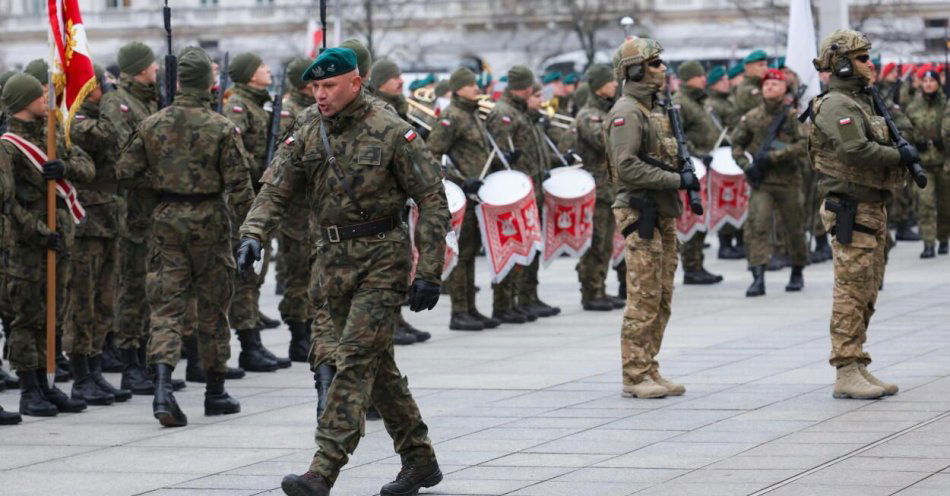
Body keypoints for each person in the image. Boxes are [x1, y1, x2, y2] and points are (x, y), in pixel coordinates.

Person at [235, 47, 447, 496]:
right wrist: (252, 232)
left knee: (350, 362)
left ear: (355, 82)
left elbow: (431, 199)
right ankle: (421, 461)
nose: (321, 95)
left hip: (382, 261)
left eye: (329, 86)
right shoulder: (309, 128)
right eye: (315, 87)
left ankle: (322, 469)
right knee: (377, 367)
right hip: (330, 266)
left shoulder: (391, 130)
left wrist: (429, 269)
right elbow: (275, 187)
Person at [116, 46, 254, 426]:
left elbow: (124, 171)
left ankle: (162, 388)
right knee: (213, 309)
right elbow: (241, 187)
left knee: (165, 309)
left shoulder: (152, 123)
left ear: (177, 82)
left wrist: (161, 182)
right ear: (209, 84)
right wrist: (252, 233)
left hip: (166, 220)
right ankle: (215, 391)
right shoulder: (222, 127)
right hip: (210, 219)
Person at [809, 29, 909, 399]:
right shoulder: (837, 104)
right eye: (863, 58)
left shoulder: (862, 102)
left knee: (867, 289)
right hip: (850, 208)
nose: (870, 64)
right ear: (843, 65)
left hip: (870, 205)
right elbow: (855, 151)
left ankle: (858, 361)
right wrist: (900, 157)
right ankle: (845, 369)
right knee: (850, 290)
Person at [0, 73, 95, 416]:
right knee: (28, 318)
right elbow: (8, 203)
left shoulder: (51, 134)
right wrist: (40, 232)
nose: (46, 98)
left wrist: (64, 167)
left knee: (53, 315)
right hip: (29, 245)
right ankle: (29, 388)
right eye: (38, 95)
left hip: (59, 242)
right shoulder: (8, 146)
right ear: (23, 101)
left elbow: (88, 167)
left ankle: (46, 382)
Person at [607, 37, 692, 399]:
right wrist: (676, 180)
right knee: (642, 296)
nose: (662, 69)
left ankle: (649, 365)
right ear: (636, 69)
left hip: (661, 210)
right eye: (655, 64)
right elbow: (626, 167)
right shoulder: (626, 112)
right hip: (640, 211)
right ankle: (634, 373)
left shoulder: (655, 109)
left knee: (662, 295)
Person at [65, 64, 132, 405]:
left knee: (105, 300)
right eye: (101, 84)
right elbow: (108, 134)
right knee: (83, 302)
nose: (106, 89)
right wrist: (112, 96)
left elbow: (122, 137)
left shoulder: (99, 113)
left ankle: (94, 369)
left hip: (109, 217)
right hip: (86, 222)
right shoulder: (74, 120)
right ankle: (80, 375)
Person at [100, 41, 162, 395]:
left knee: (149, 287)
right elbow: (124, 159)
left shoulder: (148, 99)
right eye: (151, 65)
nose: (155, 70)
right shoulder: (118, 103)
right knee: (132, 288)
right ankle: (130, 363)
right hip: (130, 211)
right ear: (139, 68)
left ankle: (145, 358)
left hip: (149, 210)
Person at [223, 52, 290, 371]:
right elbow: (234, 151)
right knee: (246, 274)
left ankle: (254, 342)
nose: (267, 70)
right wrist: (262, 168)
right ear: (250, 75)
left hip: (257, 193)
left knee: (256, 273)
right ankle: (249, 343)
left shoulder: (258, 103)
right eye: (262, 67)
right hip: (245, 197)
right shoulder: (238, 105)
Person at [425, 67, 502, 331]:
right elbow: (433, 153)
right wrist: (458, 180)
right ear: (458, 88)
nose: (476, 89)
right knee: (462, 253)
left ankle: (471, 307)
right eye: (470, 85)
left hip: (478, 193)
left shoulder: (473, 115)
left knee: (471, 253)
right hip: (464, 193)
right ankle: (459, 312)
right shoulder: (451, 117)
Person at [486, 65, 560, 323]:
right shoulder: (504, 113)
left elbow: (531, 150)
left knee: (529, 247)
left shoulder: (522, 113)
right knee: (512, 247)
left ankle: (527, 297)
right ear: (526, 87)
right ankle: (504, 303)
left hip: (530, 189)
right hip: (512, 192)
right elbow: (498, 154)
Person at [731, 69, 808, 297]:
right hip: (761, 182)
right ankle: (758, 276)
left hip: (788, 181)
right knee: (758, 226)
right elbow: (736, 145)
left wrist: (776, 156)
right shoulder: (752, 117)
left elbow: (804, 144)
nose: (770, 87)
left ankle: (797, 270)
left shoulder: (792, 117)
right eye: (766, 84)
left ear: (785, 88)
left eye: (775, 83)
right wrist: (747, 166)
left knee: (793, 228)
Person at [572, 63, 623, 311]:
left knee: (606, 244)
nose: (615, 85)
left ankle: (600, 288)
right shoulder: (589, 115)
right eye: (611, 81)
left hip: (609, 188)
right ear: (599, 86)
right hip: (597, 189)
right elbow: (605, 142)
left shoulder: (607, 113)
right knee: (596, 242)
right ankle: (591, 292)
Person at [276, 57, 318, 360]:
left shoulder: (315, 108)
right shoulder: (290, 111)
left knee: (314, 271)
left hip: (315, 206)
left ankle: (312, 327)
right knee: (297, 272)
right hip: (296, 209)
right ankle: (298, 334)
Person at [674, 60, 724, 285]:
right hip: (694, 167)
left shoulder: (700, 101)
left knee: (702, 216)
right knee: (692, 216)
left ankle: (698, 264)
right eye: (699, 75)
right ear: (687, 78)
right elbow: (678, 136)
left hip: (708, 165)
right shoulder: (681, 103)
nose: (704, 78)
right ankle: (691, 266)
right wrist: (697, 154)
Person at [905, 69, 949, 257]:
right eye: (925, 80)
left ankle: (943, 238)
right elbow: (906, 129)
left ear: (938, 83)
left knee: (945, 206)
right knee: (925, 204)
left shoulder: (945, 104)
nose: (928, 84)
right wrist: (914, 142)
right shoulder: (913, 106)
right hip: (923, 165)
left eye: (932, 80)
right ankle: (928, 243)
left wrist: (945, 143)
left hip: (944, 163)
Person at [734, 50, 769, 117]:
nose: (765, 69)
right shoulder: (748, 89)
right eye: (761, 65)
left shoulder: (759, 84)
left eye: (766, 65)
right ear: (748, 68)